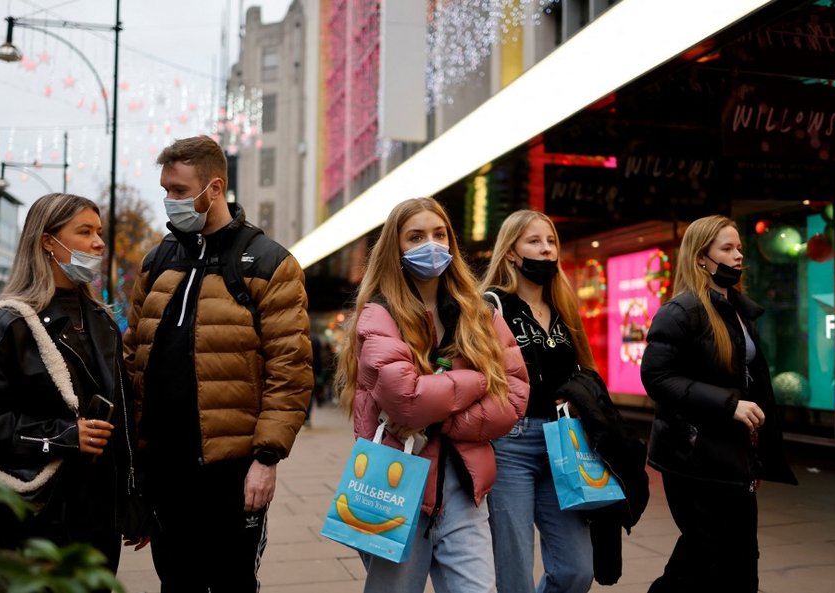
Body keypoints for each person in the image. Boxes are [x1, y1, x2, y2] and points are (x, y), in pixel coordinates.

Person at [123, 135, 313, 592]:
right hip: (165, 468)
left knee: (232, 582)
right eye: (165, 189)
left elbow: (290, 369)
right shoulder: (158, 261)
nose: (170, 200)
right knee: (177, 582)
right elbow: (132, 358)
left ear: (214, 188)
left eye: (180, 190)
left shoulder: (269, 262)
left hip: (231, 468)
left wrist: (267, 458)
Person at [334, 197, 529, 593]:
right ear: (396, 248)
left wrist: (438, 414)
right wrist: (478, 379)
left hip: (463, 485)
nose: (432, 245)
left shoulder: (480, 313)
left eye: (439, 234)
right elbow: (406, 399)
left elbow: (513, 398)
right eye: (416, 237)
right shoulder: (377, 315)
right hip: (395, 487)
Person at [0, 193, 144, 582]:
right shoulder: (7, 324)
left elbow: (120, 420)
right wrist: (61, 437)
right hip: (35, 517)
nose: (99, 243)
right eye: (85, 231)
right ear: (46, 241)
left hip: (98, 515)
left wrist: (134, 501)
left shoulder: (103, 322)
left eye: (100, 232)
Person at [640, 215, 797, 593]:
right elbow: (658, 378)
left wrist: (756, 456)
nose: (739, 255)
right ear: (701, 259)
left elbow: (752, 383)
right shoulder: (680, 312)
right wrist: (730, 406)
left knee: (740, 559)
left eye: (739, 247)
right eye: (727, 249)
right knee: (705, 556)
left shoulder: (740, 310)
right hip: (693, 458)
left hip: (735, 455)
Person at [479, 209, 598, 593]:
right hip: (511, 443)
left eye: (550, 242)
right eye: (534, 241)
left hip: (565, 443)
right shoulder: (491, 305)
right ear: (511, 252)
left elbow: (586, 370)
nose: (546, 250)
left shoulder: (565, 306)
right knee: (514, 576)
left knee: (576, 571)